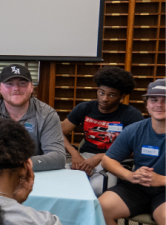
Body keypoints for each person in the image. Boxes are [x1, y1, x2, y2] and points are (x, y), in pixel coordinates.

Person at [99, 79, 166, 225]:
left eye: (165, 100)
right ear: (147, 104)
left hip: (165, 191)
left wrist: (162, 180)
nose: (159, 104)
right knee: (101, 208)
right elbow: (108, 160)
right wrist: (130, 176)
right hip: (137, 186)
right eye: (154, 99)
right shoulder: (136, 129)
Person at [0, 64, 65, 172]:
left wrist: (20, 164)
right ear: (0, 88)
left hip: (33, 174)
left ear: (31, 87)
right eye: (9, 84)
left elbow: (58, 156)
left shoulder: (47, 114)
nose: (16, 88)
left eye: (22, 83)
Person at [61, 67, 143, 196]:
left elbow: (136, 149)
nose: (104, 98)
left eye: (112, 95)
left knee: (96, 189)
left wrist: (101, 156)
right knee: (62, 184)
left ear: (122, 96)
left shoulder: (132, 115)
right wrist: (74, 153)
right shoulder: (84, 108)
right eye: (101, 92)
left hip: (115, 160)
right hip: (84, 157)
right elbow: (59, 133)